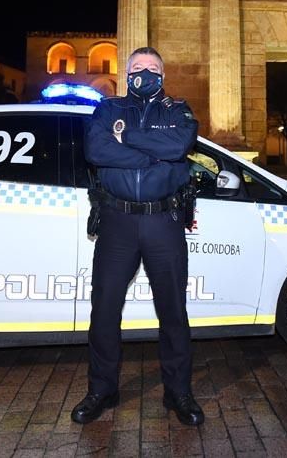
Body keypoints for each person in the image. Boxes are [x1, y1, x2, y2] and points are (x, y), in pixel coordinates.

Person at [71, 46, 204, 426]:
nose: (144, 72)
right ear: (126, 73)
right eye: (137, 68)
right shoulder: (109, 109)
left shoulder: (177, 110)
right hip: (118, 222)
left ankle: (178, 392)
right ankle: (102, 389)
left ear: (163, 74)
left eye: (152, 68)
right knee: (105, 310)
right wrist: (151, 154)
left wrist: (126, 138)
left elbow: (179, 146)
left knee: (173, 312)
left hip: (164, 221)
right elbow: (97, 150)